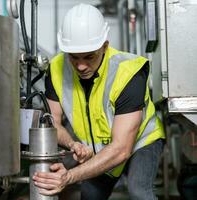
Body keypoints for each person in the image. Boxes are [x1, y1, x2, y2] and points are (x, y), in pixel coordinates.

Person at [32, 3, 165, 200]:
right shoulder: (56, 68)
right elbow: (53, 123)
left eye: (89, 57)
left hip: (140, 142)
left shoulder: (128, 73)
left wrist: (69, 176)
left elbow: (121, 149)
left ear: (104, 46)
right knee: (90, 195)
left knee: (139, 192)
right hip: (101, 148)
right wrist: (72, 144)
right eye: (74, 57)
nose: (81, 65)